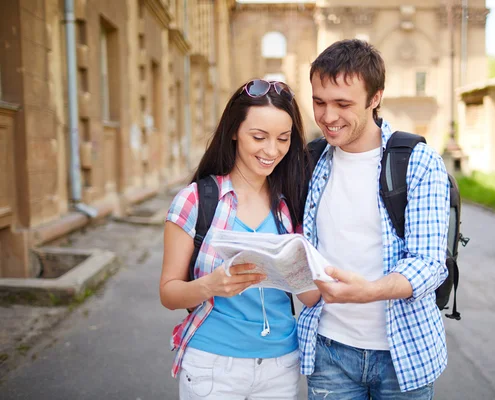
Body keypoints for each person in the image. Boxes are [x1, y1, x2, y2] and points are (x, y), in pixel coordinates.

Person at [298, 39, 450, 399]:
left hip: (403, 353)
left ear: (375, 97)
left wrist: (369, 292)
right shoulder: (311, 160)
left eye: (343, 104)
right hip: (327, 351)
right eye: (319, 102)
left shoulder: (417, 161)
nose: (328, 117)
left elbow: (429, 263)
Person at [160, 79, 320, 400]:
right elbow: (168, 293)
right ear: (234, 131)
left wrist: (300, 274)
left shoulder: (293, 203)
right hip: (213, 364)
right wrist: (211, 286)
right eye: (259, 137)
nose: (271, 150)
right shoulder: (196, 200)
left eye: (283, 139)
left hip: (281, 365)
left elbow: (311, 298)